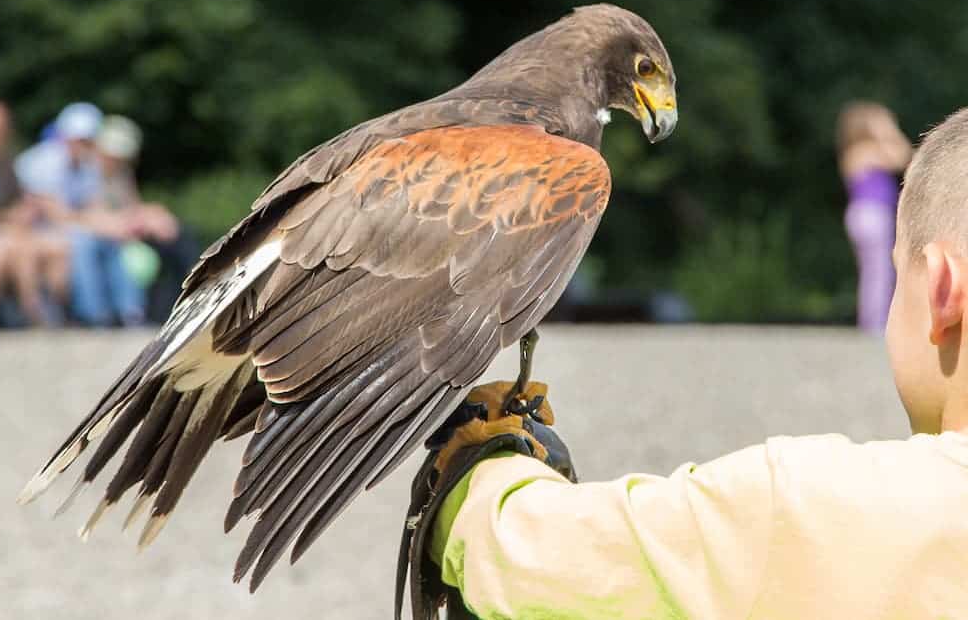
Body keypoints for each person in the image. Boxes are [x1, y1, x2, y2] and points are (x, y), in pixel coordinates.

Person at [400, 109, 968, 619]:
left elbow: (523, 556)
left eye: (902, 277)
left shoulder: (807, 507)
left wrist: (487, 461)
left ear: (942, 289)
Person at [15, 102, 146, 326]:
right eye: (85, 140)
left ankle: (129, 311)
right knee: (83, 243)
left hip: (66, 228)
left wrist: (115, 226)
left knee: (113, 241)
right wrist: (101, 225)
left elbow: (93, 206)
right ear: (68, 137)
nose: (89, 145)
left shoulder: (87, 165)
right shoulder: (41, 163)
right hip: (37, 229)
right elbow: (56, 214)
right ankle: (94, 314)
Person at [0, 100, 69, 325]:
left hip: (3, 229)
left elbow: (21, 197)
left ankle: (46, 308)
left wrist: (25, 211)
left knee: (55, 246)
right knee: (1, 251)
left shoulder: (5, 162)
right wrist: (5, 218)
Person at [94, 115, 199, 322]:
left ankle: (192, 287)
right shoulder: (92, 176)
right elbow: (92, 214)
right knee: (169, 246)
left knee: (178, 233)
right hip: (112, 236)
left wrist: (152, 214)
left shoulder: (121, 174)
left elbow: (131, 207)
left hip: (126, 232)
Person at [837, 101, 912, 333]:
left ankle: (873, 322)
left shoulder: (858, 152)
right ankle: (874, 325)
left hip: (868, 216)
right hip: (871, 214)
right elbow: (904, 155)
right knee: (879, 271)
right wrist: (887, 130)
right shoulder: (862, 151)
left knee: (875, 270)